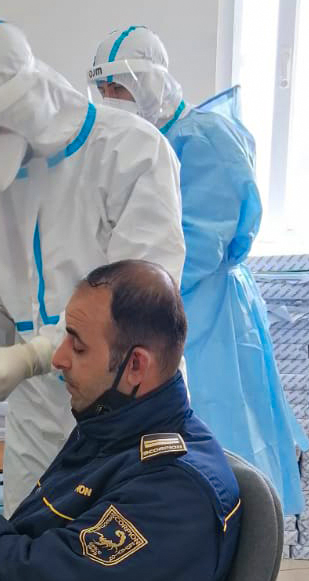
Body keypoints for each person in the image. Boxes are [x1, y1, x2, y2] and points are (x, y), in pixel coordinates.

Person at [0, 18, 186, 515]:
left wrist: (34, 355)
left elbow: (142, 303)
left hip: (130, 407)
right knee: (26, 543)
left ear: (26, 96)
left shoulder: (131, 153)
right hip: (38, 418)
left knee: (127, 546)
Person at [87, 25, 308, 514]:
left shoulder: (203, 139)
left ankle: (234, 531)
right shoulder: (141, 144)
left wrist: (128, 288)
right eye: (103, 89)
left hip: (208, 313)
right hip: (164, 307)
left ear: (152, 82)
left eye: (119, 87)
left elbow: (203, 242)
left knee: (220, 430)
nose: (110, 99)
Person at [0, 260, 241, 581]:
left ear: (136, 366)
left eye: (78, 347)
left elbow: (29, 573)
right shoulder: (111, 426)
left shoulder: (174, 495)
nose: (58, 358)